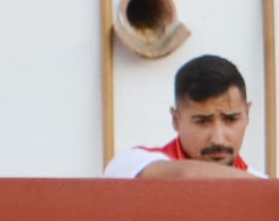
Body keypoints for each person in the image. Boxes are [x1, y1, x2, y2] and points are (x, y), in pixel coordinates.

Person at [103, 55, 261, 179]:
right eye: (203, 121)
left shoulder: (262, 183)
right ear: (176, 120)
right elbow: (187, 175)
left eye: (231, 119)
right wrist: (265, 189)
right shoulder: (131, 165)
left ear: (247, 115)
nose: (218, 139)